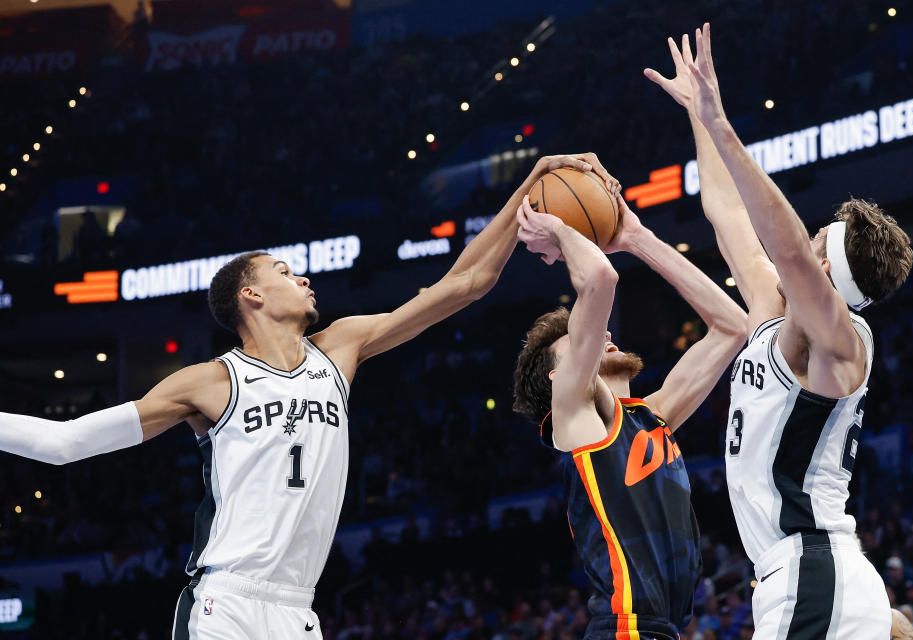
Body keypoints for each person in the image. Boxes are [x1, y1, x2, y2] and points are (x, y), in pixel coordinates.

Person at [0, 153, 616, 638]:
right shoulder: (209, 382)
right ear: (252, 296)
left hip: (297, 610)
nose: (304, 279)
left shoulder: (339, 348)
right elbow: (65, 444)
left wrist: (532, 181)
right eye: (284, 273)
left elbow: (468, 283)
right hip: (226, 603)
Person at [643, 23, 913, 639]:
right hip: (814, 579)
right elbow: (726, 210)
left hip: (811, 576)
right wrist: (698, 114)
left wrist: (723, 125)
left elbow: (786, 249)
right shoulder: (776, 316)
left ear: (823, 269)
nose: (802, 238)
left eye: (816, 238)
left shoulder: (842, 344)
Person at [512, 191, 748, 638]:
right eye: (581, 340)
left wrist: (639, 238)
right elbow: (600, 276)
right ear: (559, 378)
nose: (603, 333)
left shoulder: (652, 417)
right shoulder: (575, 417)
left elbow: (733, 326)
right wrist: (559, 230)